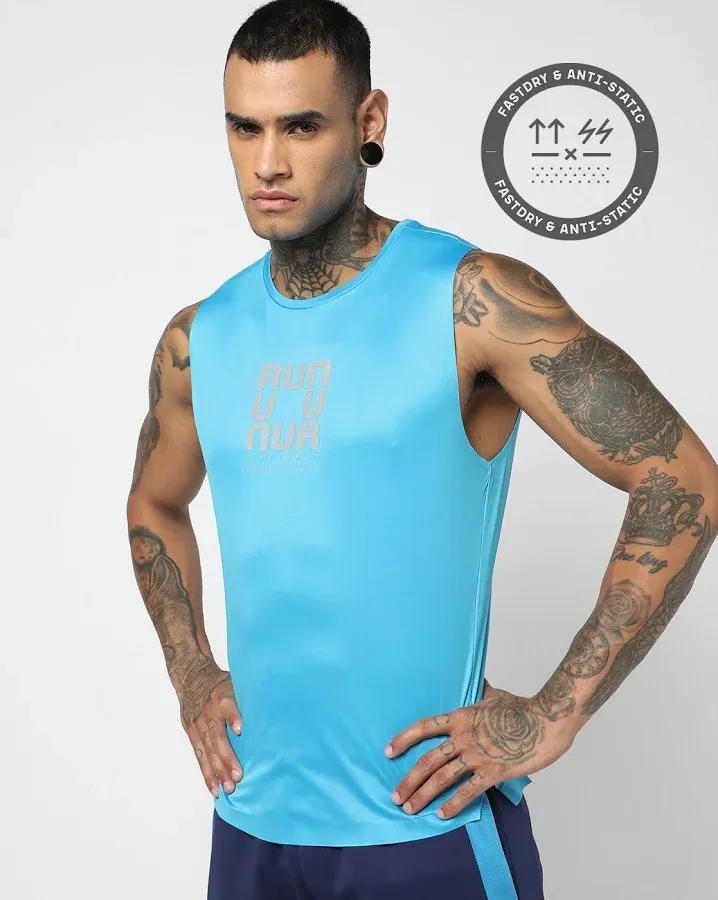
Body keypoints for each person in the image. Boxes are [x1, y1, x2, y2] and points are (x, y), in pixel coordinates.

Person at [125, 1, 718, 898]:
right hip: (252, 826)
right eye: (245, 128)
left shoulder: (473, 301)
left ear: (369, 122)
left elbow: (683, 480)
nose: (267, 162)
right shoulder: (199, 339)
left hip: (425, 831)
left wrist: (554, 712)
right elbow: (155, 503)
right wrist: (192, 671)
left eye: (301, 126)